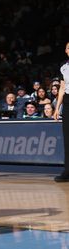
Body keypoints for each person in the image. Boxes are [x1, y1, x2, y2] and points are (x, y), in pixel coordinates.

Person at [53, 41, 69, 182]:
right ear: (66, 50)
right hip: (68, 101)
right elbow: (62, 88)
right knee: (67, 137)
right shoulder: (63, 67)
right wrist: (57, 108)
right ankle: (67, 171)